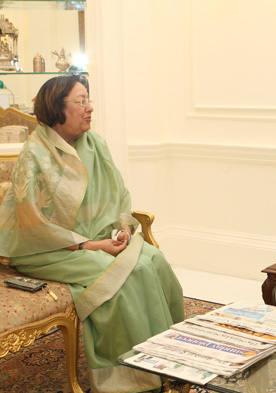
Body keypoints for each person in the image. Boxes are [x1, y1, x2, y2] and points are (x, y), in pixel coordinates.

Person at [0, 75, 185, 392]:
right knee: (127, 276)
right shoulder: (35, 155)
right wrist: (92, 245)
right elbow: (31, 222)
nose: (90, 108)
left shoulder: (95, 143)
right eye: (81, 101)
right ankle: (133, 378)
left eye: (89, 100)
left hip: (99, 239)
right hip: (47, 250)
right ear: (57, 107)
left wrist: (124, 228)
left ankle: (174, 359)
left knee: (152, 260)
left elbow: (118, 194)